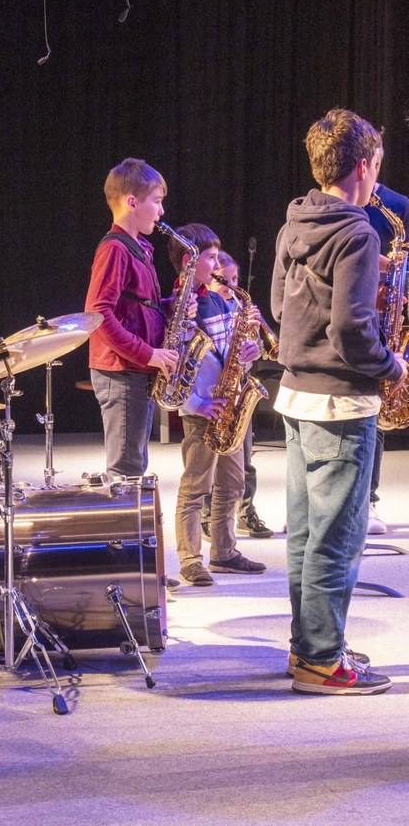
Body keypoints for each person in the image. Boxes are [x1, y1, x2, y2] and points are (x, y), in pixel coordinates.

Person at [271, 108, 407, 694]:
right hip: (342, 404)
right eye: (378, 165)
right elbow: (352, 332)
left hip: (296, 396)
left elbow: (280, 309)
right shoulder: (357, 232)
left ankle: (308, 647)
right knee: (337, 540)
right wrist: (393, 365)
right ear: (364, 165)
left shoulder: (294, 222)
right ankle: (323, 662)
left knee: (305, 538)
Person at [169, 224, 267, 586]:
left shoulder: (223, 303)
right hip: (203, 411)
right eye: (211, 258)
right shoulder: (183, 307)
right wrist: (195, 404)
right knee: (196, 487)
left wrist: (250, 354)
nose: (217, 265)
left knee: (233, 485)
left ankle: (224, 552)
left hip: (231, 406)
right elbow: (176, 366)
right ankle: (190, 559)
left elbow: (233, 354)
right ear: (190, 261)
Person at [84, 158, 179, 478]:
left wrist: (169, 306)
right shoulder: (116, 249)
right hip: (122, 370)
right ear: (132, 202)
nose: (161, 211)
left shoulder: (139, 248)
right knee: (125, 472)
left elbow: (135, 305)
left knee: (134, 465)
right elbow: (98, 313)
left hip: (133, 369)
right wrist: (148, 353)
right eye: (157, 201)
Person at [200, 251, 274, 540]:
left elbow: (253, 353)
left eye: (235, 279)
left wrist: (255, 347)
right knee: (211, 461)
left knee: (244, 459)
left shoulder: (240, 309)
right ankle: (207, 514)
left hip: (239, 391)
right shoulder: (205, 308)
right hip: (213, 394)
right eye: (224, 280)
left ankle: (245, 510)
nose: (231, 286)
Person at [363, 170, 409, 535]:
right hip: (354, 310)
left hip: (384, 314)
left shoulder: (397, 206)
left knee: (377, 409)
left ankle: (369, 500)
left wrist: (396, 282)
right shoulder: (339, 202)